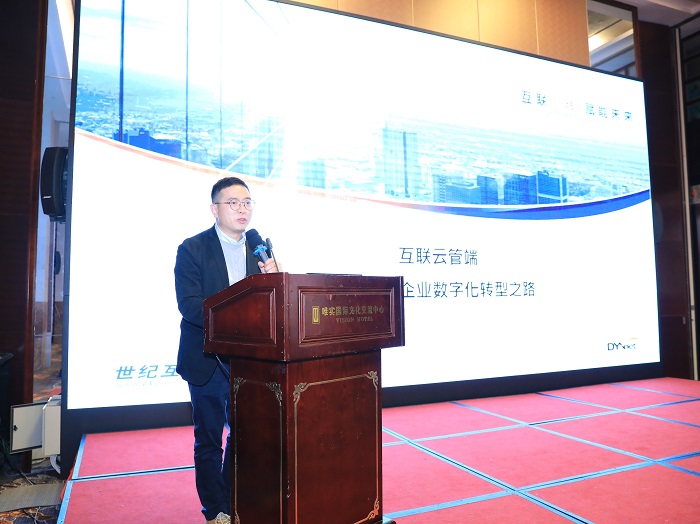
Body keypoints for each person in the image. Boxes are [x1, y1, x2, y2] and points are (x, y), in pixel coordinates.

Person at [174, 176, 278, 524]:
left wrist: (275, 279)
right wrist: (237, 320)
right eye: (233, 203)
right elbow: (190, 305)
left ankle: (232, 499)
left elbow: (273, 306)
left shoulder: (259, 249)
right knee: (208, 439)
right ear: (214, 209)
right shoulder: (192, 248)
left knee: (243, 434)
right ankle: (215, 510)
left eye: (247, 202)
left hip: (248, 362)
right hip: (206, 360)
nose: (242, 209)